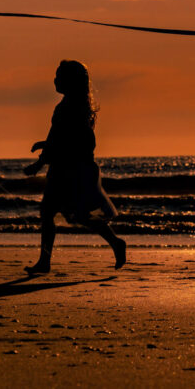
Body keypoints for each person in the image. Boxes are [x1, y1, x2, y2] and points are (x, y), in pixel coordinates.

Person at [23, 59, 125, 273]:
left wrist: (43, 155)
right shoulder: (68, 106)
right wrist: (40, 161)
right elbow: (56, 139)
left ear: (70, 81)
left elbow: (76, 140)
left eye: (59, 76)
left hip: (70, 171)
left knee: (61, 213)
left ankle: (45, 262)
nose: (55, 79)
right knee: (70, 214)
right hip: (64, 168)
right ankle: (114, 243)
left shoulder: (73, 107)